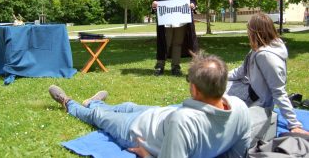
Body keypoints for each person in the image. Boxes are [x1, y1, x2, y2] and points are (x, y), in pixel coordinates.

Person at [49, 53, 251, 158]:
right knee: (127, 105)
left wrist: (146, 155)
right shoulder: (240, 107)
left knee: (99, 117)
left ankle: (70, 103)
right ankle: (94, 102)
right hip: (158, 115)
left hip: (135, 130)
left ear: (196, 90)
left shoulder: (185, 123)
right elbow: (237, 152)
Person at [226, 12, 309, 135]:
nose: (247, 33)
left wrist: (294, 124)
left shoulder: (267, 56)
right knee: (215, 85)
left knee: (216, 97)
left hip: (257, 102)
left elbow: (278, 91)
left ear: (255, 32)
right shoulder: (257, 48)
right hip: (248, 88)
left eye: (249, 29)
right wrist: (219, 76)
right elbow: (241, 71)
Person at [152, 0, 198, 76]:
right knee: (165, 42)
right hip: (166, 20)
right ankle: (160, 65)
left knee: (177, 43)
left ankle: (175, 66)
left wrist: (192, 4)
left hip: (181, 20)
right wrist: (154, 4)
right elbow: (155, 0)